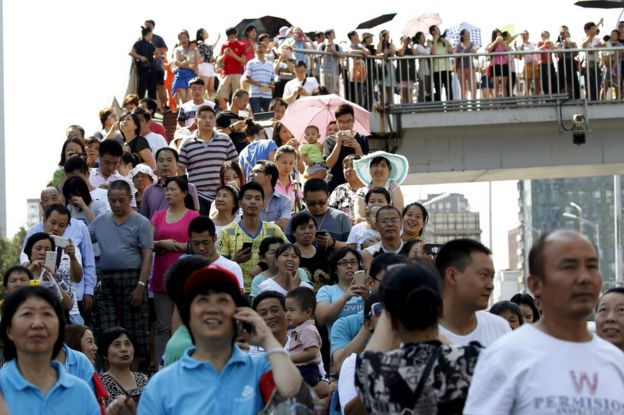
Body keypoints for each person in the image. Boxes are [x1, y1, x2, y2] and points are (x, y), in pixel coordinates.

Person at [465, 230, 624, 414]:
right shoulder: (505, 357)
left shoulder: (616, 362)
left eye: (592, 266)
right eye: (569, 267)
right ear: (535, 285)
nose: (584, 278)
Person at [138, 265, 304, 414]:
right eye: (202, 300)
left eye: (222, 301)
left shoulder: (260, 367)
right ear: (188, 316)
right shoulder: (161, 384)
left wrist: (267, 339)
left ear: (238, 314)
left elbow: (294, 396)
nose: (212, 309)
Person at [355, 263, 482, 414]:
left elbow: (369, 357)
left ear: (391, 319)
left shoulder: (371, 368)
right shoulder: (473, 359)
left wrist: (390, 305)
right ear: (441, 310)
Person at [0, 287, 100, 414]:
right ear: (9, 330)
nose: (37, 324)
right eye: (27, 314)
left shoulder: (81, 392)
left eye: (47, 314)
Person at [90, 180, 154, 366]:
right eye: (112, 200)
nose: (117, 205)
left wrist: (140, 286)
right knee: (106, 327)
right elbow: (84, 240)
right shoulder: (101, 221)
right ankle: (110, 375)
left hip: (133, 279)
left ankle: (137, 376)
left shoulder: (141, 222)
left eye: (121, 200)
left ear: (130, 199)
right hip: (107, 279)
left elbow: (147, 256)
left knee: (136, 330)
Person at [21, 187, 96, 324]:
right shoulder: (34, 241)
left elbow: (78, 277)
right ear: (45, 221)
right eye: (53, 223)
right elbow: (25, 272)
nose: (56, 228)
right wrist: (34, 270)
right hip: (40, 308)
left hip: (70, 311)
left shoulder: (70, 247)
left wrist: (72, 257)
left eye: (62, 225)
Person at [151, 176, 200, 365]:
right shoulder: (158, 215)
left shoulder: (193, 216)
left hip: (185, 279)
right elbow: (147, 242)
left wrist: (176, 246)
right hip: (161, 277)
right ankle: (159, 368)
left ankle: (182, 363)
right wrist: (160, 243)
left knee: (183, 326)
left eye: (173, 189)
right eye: (167, 190)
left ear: (185, 193)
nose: (168, 193)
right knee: (162, 326)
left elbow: (198, 245)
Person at [435, 238, 511, 346]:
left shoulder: (500, 328)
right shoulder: (416, 335)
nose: (491, 286)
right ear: (452, 275)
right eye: (483, 275)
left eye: (492, 277)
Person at [218, 182, 287, 292]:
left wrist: (262, 265)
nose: (253, 202)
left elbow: (289, 255)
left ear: (263, 204)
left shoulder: (274, 230)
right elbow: (219, 270)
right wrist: (235, 261)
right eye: (248, 198)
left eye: (257, 198)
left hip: (270, 289)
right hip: (239, 290)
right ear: (240, 203)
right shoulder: (226, 232)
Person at [178, 105, 238, 215]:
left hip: (223, 195)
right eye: (204, 117)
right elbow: (180, 170)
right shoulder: (186, 143)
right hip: (197, 196)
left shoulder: (225, 139)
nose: (208, 120)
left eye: (211, 117)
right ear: (196, 121)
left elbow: (235, 165)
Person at [286, 179, 352, 252]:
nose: (317, 206)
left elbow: (352, 246)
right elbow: (286, 247)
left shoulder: (341, 218)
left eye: (322, 202)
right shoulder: (296, 219)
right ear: (304, 199)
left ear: (328, 196)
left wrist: (333, 243)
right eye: (312, 203)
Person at [23, 231, 77, 315]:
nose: (42, 252)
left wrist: (53, 279)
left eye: (47, 249)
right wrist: (30, 272)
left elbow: (68, 305)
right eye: (38, 248)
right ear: (29, 252)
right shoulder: (23, 273)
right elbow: (15, 295)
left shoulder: (58, 274)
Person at [139, 147, 200, 219]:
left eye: (169, 160)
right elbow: (144, 218)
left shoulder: (189, 188)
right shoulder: (148, 191)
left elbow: (195, 216)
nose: (165, 164)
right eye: (161, 161)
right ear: (156, 165)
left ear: (177, 165)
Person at [315, 248, 366, 334]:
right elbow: (321, 319)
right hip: (340, 345)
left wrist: (368, 296)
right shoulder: (327, 290)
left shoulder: (368, 289)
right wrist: (345, 298)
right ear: (335, 269)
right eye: (344, 263)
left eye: (353, 262)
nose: (349, 266)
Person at [323, 104, 369, 193]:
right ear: (336, 122)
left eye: (349, 121)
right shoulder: (329, 140)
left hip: (357, 183)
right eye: (341, 121)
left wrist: (357, 146)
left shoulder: (362, 138)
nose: (345, 125)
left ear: (353, 121)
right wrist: (338, 143)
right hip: (334, 183)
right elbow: (328, 164)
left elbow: (364, 164)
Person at [98, 327, 149, 406]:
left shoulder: (143, 379)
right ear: (105, 354)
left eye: (127, 344)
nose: (124, 349)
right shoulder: (100, 384)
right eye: (117, 345)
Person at [353, 151, 406, 222]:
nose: (379, 169)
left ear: (389, 170)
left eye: (383, 165)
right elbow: (358, 218)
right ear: (370, 169)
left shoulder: (393, 187)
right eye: (375, 165)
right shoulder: (362, 192)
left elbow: (399, 215)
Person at [285, 287, 322, 387]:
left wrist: (289, 358)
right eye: (286, 310)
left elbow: (312, 353)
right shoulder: (300, 328)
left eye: (291, 310)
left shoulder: (307, 329)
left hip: (306, 371)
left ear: (308, 312)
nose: (287, 314)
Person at [89, 139, 138, 208]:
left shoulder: (127, 182)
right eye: (107, 163)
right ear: (99, 156)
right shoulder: (87, 177)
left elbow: (132, 211)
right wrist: (98, 192)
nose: (111, 167)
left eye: (115, 163)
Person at [290, 211, 331, 290]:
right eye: (302, 228)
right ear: (293, 232)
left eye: (311, 227)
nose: (307, 231)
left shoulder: (324, 255)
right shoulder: (288, 256)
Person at [249, 160, 291, 230]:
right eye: (251, 171)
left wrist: (258, 227)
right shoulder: (247, 200)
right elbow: (245, 224)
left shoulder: (284, 201)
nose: (251, 174)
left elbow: (284, 224)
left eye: (256, 171)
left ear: (268, 177)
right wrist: (274, 224)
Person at [362, 206, 404, 270]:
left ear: (401, 224)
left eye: (394, 220)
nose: (390, 224)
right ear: (377, 226)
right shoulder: (369, 253)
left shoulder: (411, 250)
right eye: (384, 221)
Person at [215, 27, 247, 109]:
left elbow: (243, 61)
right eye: (229, 37)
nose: (231, 39)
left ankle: (238, 114)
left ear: (235, 35)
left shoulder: (241, 45)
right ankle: (228, 112)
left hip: (237, 73)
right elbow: (219, 61)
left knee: (238, 97)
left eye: (232, 37)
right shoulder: (224, 46)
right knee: (220, 95)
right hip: (226, 73)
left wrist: (233, 54)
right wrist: (224, 55)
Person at [328, 155, 364, 224]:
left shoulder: (369, 189)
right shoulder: (339, 190)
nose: (348, 169)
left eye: (352, 165)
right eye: (345, 167)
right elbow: (330, 213)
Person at [171, 30, 200, 106]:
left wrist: (196, 50)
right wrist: (190, 66)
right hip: (180, 75)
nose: (183, 40)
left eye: (184, 37)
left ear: (188, 38)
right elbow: (177, 62)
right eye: (181, 38)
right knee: (183, 103)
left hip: (192, 76)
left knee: (189, 101)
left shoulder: (194, 49)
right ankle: (183, 116)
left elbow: (198, 61)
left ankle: (188, 116)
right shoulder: (177, 49)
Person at [245, 43, 275, 113]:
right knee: (256, 117)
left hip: (267, 95)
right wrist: (257, 83)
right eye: (258, 49)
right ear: (255, 51)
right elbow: (247, 79)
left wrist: (272, 84)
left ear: (265, 50)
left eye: (261, 48)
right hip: (255, 95)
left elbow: (273, 79)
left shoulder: (270, 64)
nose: (260, 50)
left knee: (268, 118)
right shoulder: (251, 63)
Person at [273, 146, 304, 212]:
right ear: (276, 161)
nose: (288, 166)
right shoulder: (269, 183)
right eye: (284, 163)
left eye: (291, 163)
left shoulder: (295, 184)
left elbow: (297, 210)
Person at [129, 26, 156, 100]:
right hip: (142, 68)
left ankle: (152, 105)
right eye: (151, 33)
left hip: (151, 68)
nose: (152, 35)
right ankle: (140, 104)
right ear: (148, 34)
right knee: (142, 88)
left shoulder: (150, 45)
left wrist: (155, 57)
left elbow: (156, 54)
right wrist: (141, 57)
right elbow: (131, 53)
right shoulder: (139, 43)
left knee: (152, 88)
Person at [429, 25, 454, 101]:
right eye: (437, 29)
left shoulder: (444, 41)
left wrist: (446, 41)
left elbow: (451, 51)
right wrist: (435, 40)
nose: (439, 31)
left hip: (447, 69)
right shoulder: (430, 42)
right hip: (437, 70)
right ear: (433, 32)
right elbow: (433, 53)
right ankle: (439, 107)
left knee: (449, 90)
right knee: (438, 90)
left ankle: (451, 107)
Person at [195, 28, 220, 96]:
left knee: (211, 90)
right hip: (204, 65)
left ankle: (210, 106)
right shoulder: (199, 43)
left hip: (209, 66)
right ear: (201, 34)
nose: (207, 32)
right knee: (203, 89)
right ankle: (200, 105)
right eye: (205, 31)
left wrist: (218, 39)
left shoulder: (203, 44)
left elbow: (211, 47)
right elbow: (209, 49)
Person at [455, 29, 477, 100]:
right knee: (463, 88)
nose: (469, 35)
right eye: (467, 34)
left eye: (469, 34)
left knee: (473, 87)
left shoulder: (472, 44)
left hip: (470, 68)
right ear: (462, 35)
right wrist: (462, 52)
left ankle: (474, 105)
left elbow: (476, 56)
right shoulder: (459, 45)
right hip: (460, 68)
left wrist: (474, 51)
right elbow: (455, 56)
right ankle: (464, 106)